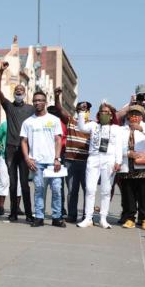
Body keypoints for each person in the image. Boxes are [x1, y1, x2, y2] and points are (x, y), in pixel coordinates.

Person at [0, 62, 35, 223]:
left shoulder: (31, 109)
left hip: (25, 149)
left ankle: (29, 214)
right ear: (14, 93)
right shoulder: (9, 107)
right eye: (16, 91)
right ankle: (12, 213)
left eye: (21, 91)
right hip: (11, 149)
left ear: (25, 94)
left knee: (24, 183)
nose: (19, 92)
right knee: (12, 183)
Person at [75, 103, 123, 229]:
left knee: (106, 191)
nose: (104, 114)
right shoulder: (93, 125)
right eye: (102, 111)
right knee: (90, 189)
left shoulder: (117, 129)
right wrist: (81, 113)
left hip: (109, 159)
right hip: (94, 158)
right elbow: (81, 128)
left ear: (112, 115)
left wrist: (118, 162)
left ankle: (103, 218)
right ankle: (88, 218)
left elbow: (119, 146)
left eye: (107, 112)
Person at [20, 91, 64, 227]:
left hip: (52, 162)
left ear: (45, 102)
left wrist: (57, 158)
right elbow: (24, 141)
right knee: (39, 189)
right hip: (36, 162)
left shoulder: (54, 120)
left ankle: (57, 217)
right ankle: (39, 217)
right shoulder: (28, 122)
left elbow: (58, 140)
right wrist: (27, 158)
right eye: (35, 100)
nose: (37, 102)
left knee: (57, 189)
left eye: (40, 100)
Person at [117, 105, 145, 230]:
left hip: (144, 165)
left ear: (142, 116)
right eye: (132, 114)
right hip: (127, 165)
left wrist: (141, 129)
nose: (134, 117)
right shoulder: (122, 129)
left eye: (137, 115)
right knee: (128, 194)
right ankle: (130, 218)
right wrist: (127, 153)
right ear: (128, 116)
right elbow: (117, 147)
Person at [54, 87, 91, 223]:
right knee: (71, 190)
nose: (84, 110)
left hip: (86, 162)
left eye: (86, 109)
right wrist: (57, 96)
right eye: (81, 108)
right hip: (70, 161)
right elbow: (59, 109)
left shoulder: (93, 125)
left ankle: (87, 216)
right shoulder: (71, 121)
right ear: (77, 111)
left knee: (88, 190)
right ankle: (72, 215)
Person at [0, 119, 22, 217]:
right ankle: (1, 207)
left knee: (18, 182)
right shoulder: (4, 125)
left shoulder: (22, 123)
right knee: (3, 181)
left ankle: (17, 207)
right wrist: (0, 147)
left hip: (19, 157)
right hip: (4, 156)